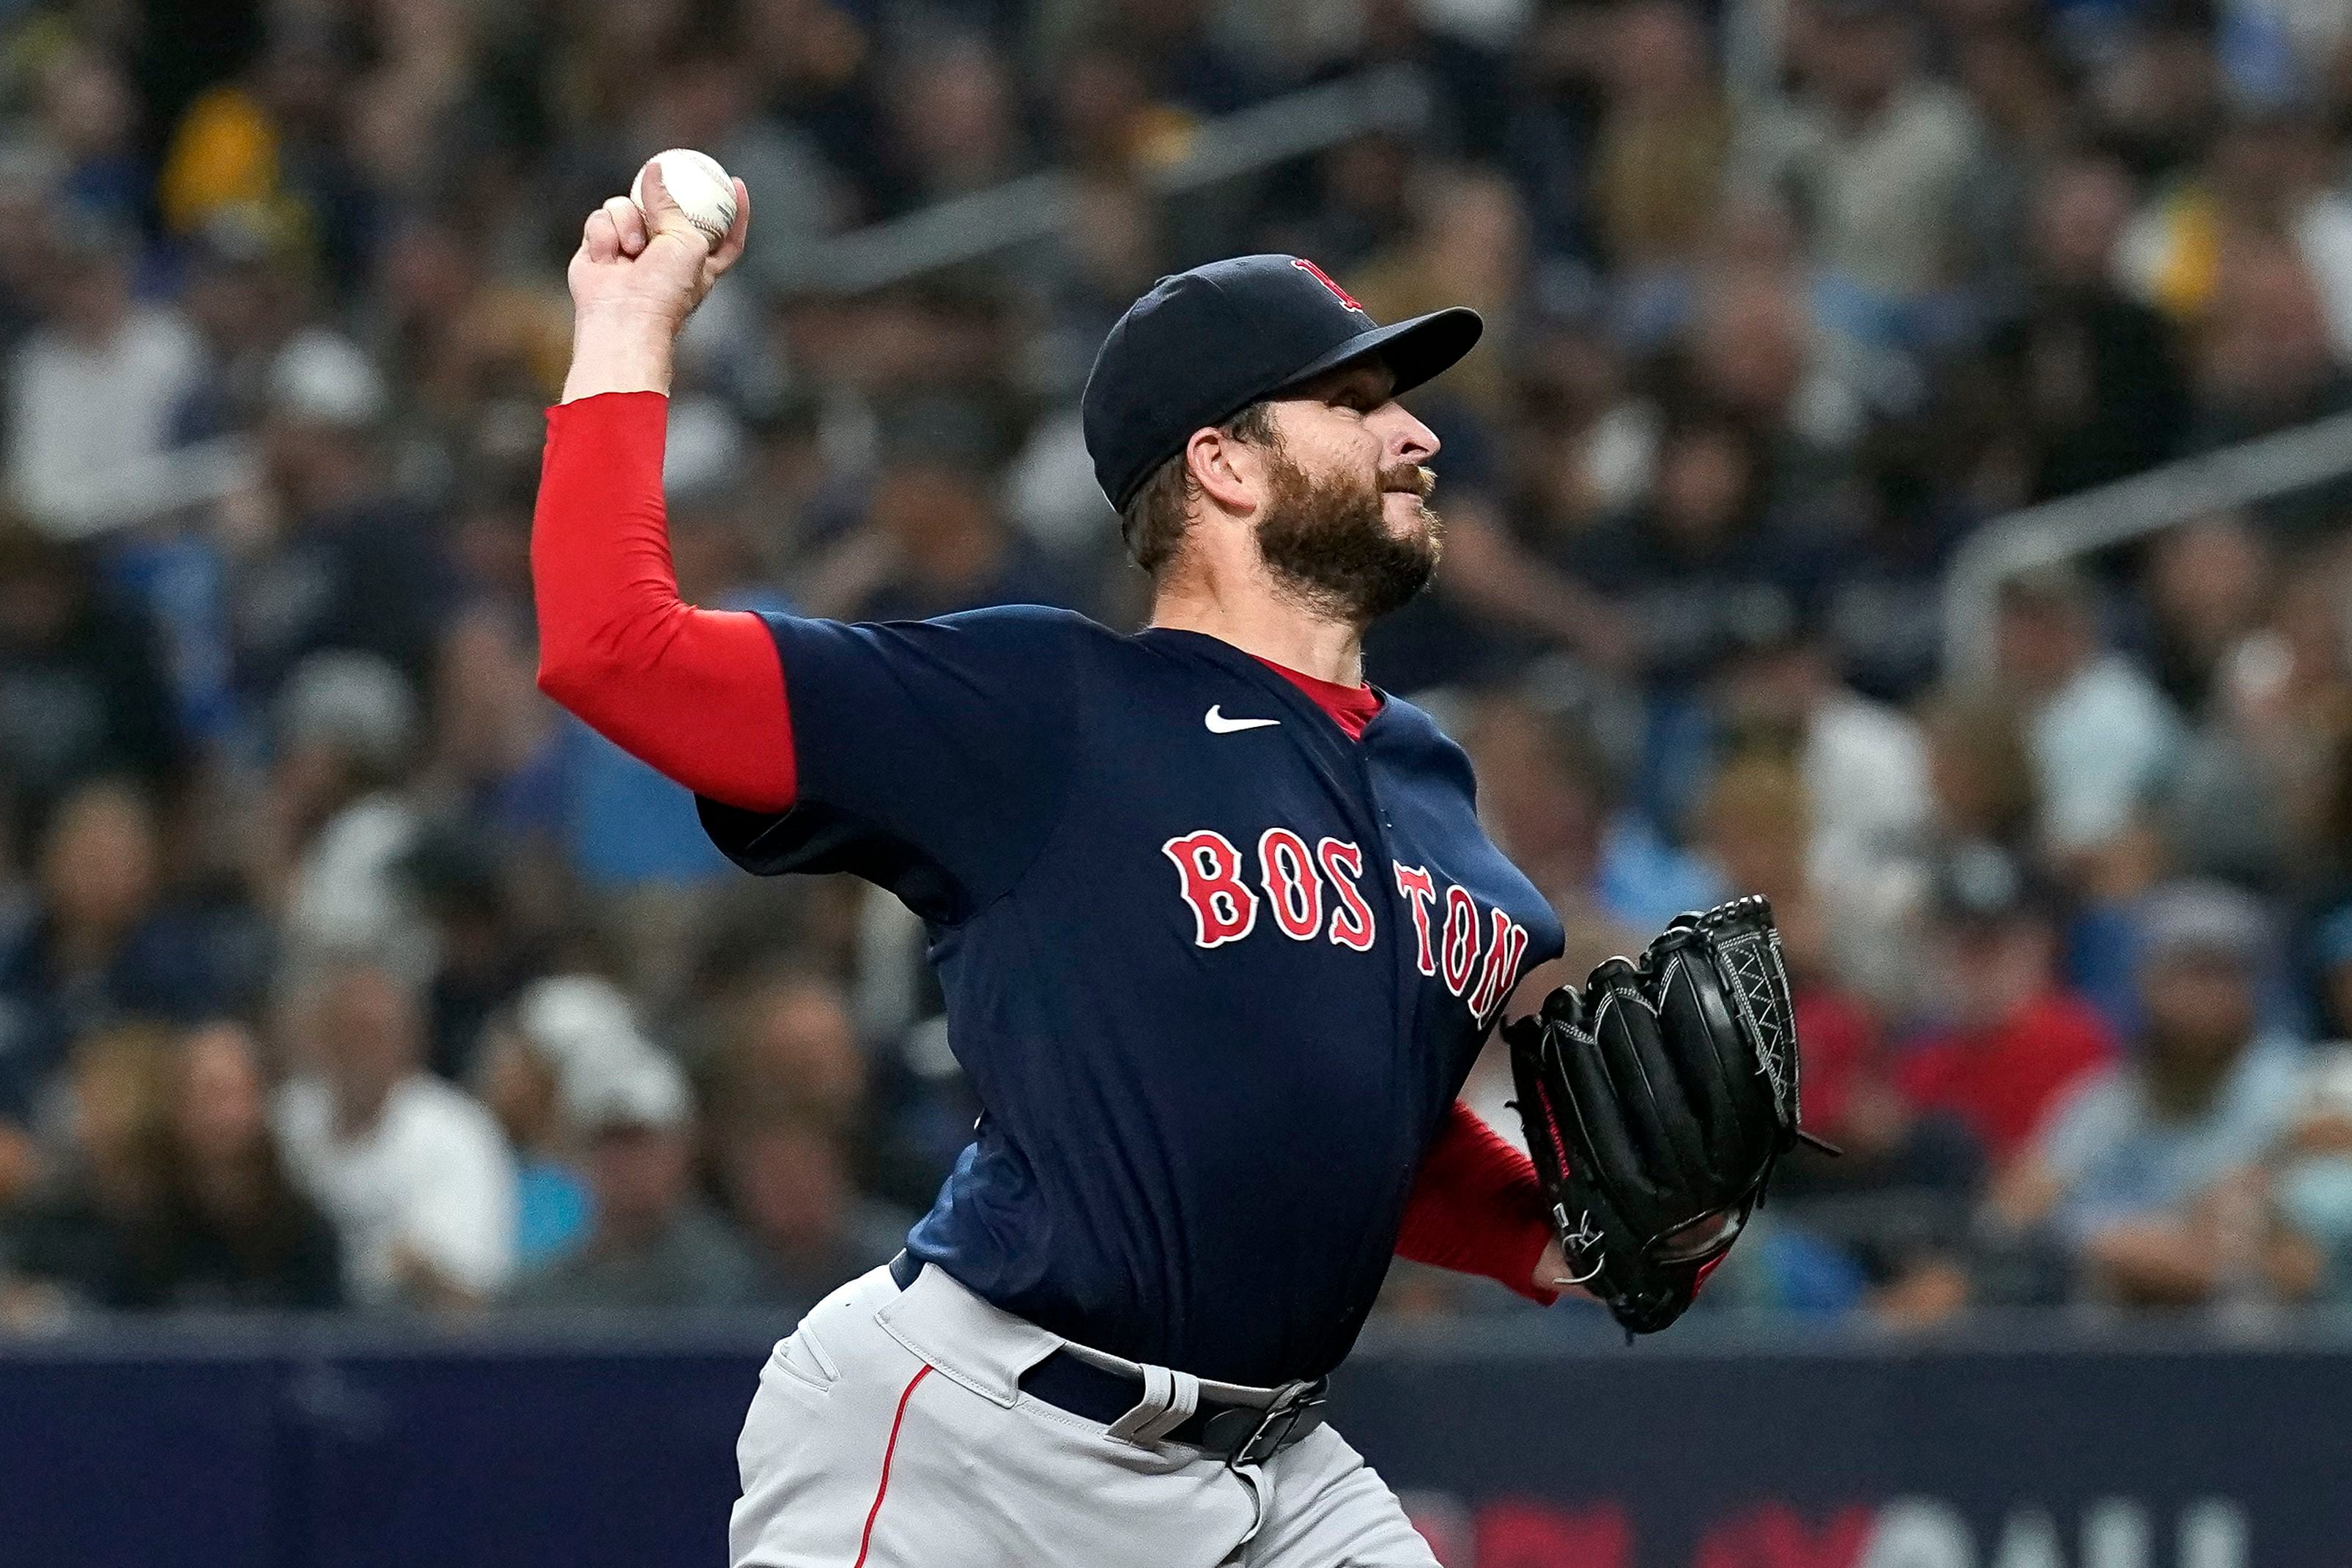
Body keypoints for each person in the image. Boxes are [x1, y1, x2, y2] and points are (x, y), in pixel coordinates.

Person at [536, 165, 1586, 1567]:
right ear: (1224, 462)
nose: (1416, 436)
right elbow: (614, 646)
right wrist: (627, 318)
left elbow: (1340, 1118)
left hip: (1277, 1475)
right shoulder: (1045, 710)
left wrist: (1577, 1231)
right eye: (1355, 403)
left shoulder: (1431, 785)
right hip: (973, 1446)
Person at [274, 958, 517, 1312]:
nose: (359, 1051)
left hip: (413, 1348)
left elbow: (472, 1297)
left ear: (410, 1039)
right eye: (345, 1032)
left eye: (374, 1035)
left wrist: (415, 1269)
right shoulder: (286, 1120)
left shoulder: (459, 1133)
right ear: (319, 1038)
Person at [507, 1046, 758, 1312]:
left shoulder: (735, 1280)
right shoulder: (540, 1295)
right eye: (607, 1144)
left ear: (684, 1151)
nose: (623, 1164)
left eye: (639, 1143)